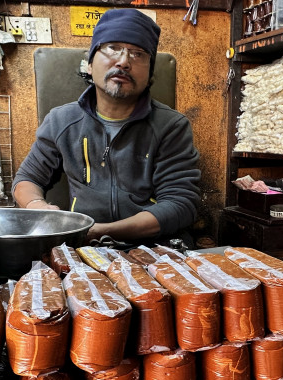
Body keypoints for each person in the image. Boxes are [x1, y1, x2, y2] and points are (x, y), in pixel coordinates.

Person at [12, 8, 201, 246]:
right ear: (90, 64)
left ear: (150, 74)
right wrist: (38, 207)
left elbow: (180, 204)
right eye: (112, 48)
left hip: (154, 249)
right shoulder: (61, 121)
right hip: (82, 248)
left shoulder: (171, 126)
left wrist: (98, 230)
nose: (123, 61)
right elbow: (27, 179)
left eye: (138, 54)